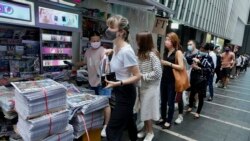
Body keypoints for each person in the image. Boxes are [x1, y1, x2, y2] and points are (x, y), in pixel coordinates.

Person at [104, 15, 141, 141]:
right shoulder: (116, 46)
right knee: (129, 120)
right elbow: (118, 55)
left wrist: (117, 83)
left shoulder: (127, 51)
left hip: (126, 92)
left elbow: (137, 76)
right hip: (119, 89)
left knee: (112, 129)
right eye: (108, 26)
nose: (108, 29)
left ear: (121, 32)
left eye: (111, 27)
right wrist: (111, 51)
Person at [73, 31, 111, 137]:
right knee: (94, 104)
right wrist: (74, 64)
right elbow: (85, 62)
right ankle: (97, 124)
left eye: (98, 40)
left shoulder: (103, 51)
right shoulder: (88, 51)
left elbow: (106, 66)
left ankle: (106, 126)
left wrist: (105, 73)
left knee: (105, 104)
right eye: (93, 41)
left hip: (103, 82)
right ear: (90, 41)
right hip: (92, 81)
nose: (96, 42)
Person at [136, 31, 162, 141]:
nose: (136, 41)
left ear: (144, 41)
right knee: (144, 109)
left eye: (138, 39)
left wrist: (143, 75)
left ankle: (150, 132)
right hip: (143, 87)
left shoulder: (152, 55)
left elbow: (158, 73)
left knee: (147, 110)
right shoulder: (140, 54)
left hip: (151, 87)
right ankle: (146, 129)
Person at [158, 32, 185, 129]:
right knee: (163, 101)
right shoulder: (166, 52)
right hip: (164, 79)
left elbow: (181, 67)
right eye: (166, 39)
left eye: (168, 39)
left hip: (173, 81)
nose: (166, 41)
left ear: (173, 41)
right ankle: (163, 117)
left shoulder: (178, 52)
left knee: (170, 102)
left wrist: (168, 63)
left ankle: (169, 120)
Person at [186, 43, 214, 118]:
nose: (201, 49)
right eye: (201, 47)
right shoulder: (197, 55)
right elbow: (188, 59)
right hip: (194, 77)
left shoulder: (209, 58)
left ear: (207, 50)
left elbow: (210, 70)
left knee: (201, 96)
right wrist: (192, 58)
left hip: (202, 79)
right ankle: (190, 106)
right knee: (192, 93)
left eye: (203, 48)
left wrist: (199, 66)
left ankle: (198, 112)